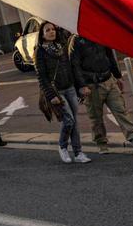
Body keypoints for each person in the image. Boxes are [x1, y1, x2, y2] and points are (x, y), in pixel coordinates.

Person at [71, 35, 133, 155]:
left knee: (121, 110)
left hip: (108, 80)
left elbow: (109, 56)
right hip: (92, 85)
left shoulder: (100, 35)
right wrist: (81, 86)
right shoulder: (77, 41)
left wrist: (117, 75)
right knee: (96, 117)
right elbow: (75, 66)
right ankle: (101, 143)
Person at [35, 21, 91, 164]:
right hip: (57, 91)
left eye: (53, 29)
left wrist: (79, 87)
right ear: (42, 34)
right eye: (47, 30)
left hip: (70, 88)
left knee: (74, 121)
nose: (51, 32)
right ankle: (62, 146)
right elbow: (42, 77)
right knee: (69, 120)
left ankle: (78, 153)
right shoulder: (40, 51)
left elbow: (71, 68)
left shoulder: (61, 46)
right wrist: (51, 95)